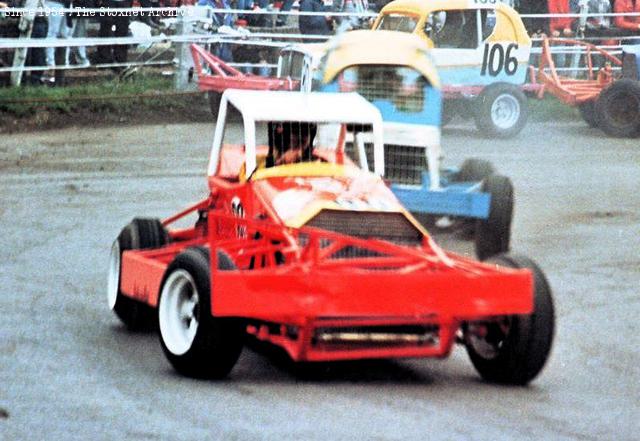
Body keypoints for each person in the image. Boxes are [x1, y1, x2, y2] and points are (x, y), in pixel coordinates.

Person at [97, 0, 133, 70]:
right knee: (105, 31)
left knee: (122, 31)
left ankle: (121, 60)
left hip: (124, 3)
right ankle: (104, 60)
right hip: (108, 3)